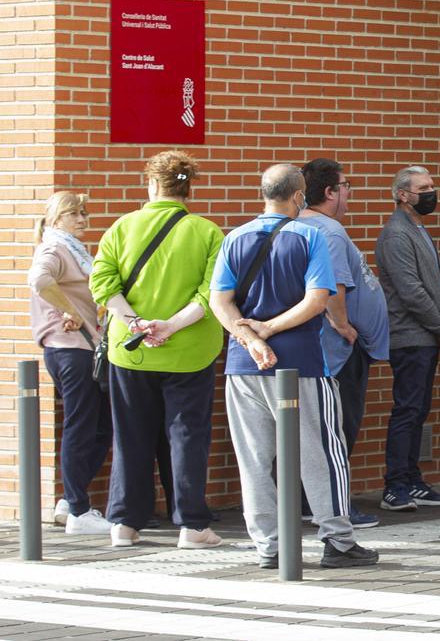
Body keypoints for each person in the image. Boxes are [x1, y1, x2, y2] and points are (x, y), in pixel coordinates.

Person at [210, 163, 378, 569]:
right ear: (299, 195)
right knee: (322, 451)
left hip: (243, 365)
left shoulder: (235, 237)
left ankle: (270, 546)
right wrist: (270, 328)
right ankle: (337, 541)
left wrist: (251, 337)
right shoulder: (310, 235)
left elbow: (220, 300)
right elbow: (318, 297)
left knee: (253, 458)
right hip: (302, 362)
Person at [90, 150, 225, 549]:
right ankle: (192, 526)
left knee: (131, 434)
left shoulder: (122, 227)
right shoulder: (207, 232)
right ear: (188, 187)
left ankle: (125, 524)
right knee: (187, 435)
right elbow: (210, 293)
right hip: (190, 351)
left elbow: (102, 283)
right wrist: (170, 325)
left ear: (151, 184)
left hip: (130, 349)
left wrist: (134, 322)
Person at [297, 158, 390, 529]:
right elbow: (332, 285)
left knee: (320, 427)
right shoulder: (329, 231)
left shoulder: (302, 226)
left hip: (328, 347)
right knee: (336, 429)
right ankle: (332, 507)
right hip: (337, 350)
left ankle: (311, 502)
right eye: (346, 185)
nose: (350, 192)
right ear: (330, 192)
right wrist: (343, 324)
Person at [28, 191, 112, 535]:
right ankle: (78, 510)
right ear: (56, 218)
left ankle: (69, 500)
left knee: (101, 425)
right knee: (81, 425)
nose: (82, 220)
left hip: (81, 347)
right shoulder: (55, 248)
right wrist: (70, 310)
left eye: (84, 214)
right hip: (69, 350)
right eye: (74, 214)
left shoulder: (72, 249)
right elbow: (39, 280)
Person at [376, 165, 440, 512]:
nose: (431, 192)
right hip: (409, 336)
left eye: (432, 185)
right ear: (402, 195)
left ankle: (412, 478)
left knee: (418, 409)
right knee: (408, 410)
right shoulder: (397, 234)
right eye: (423, 187)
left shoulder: (418, 229)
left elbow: (434, 285)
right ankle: (396, 485)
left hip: (426, 335)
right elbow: (411, 291)